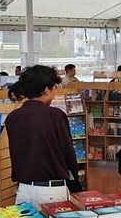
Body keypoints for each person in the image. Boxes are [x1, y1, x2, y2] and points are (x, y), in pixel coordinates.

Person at [5, 65, 82, 209]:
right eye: (54, 89)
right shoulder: (56, 115)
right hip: (51, 190)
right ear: (47, 90)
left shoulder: (12, 118)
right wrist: (74, 181)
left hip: (23, 190)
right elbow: (67, 153)